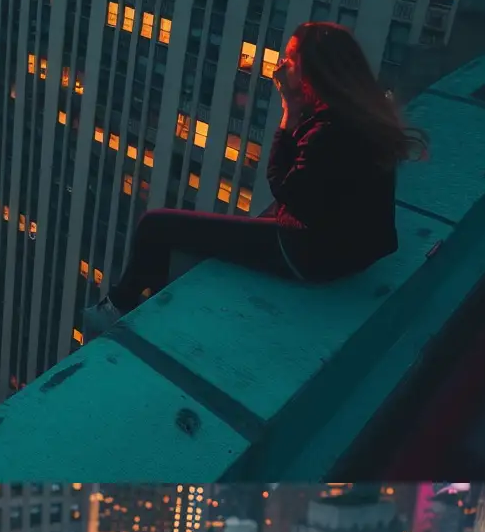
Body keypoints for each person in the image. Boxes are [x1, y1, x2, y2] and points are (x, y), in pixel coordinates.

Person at [102, 20, 423, 316]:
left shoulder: (330, 129)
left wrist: (289, 109)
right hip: (350, 250)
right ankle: (154, 303)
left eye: (290, 59)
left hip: (312, 256)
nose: (281, 67)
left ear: (313, 69)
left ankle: (119, 305)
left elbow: (284, 188)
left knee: (155, 225)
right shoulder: (358, 115)